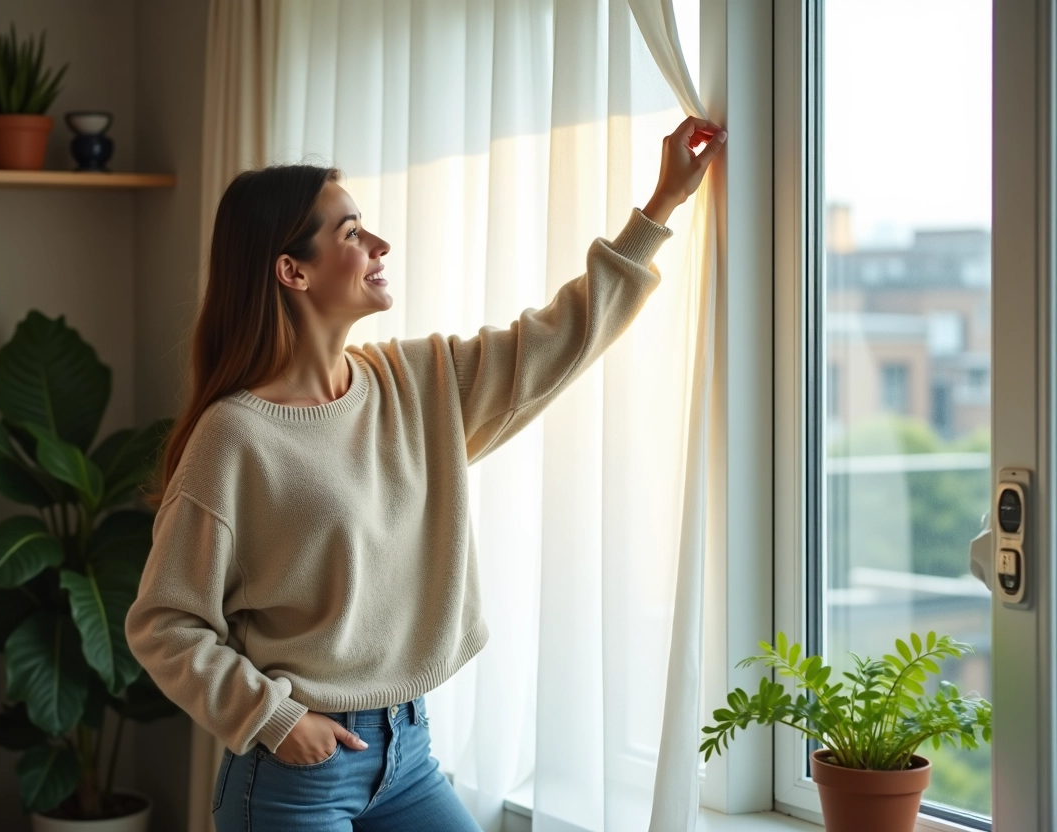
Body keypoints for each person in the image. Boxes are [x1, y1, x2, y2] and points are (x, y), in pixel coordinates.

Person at [125, 115, 726, 831]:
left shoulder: (415, 383)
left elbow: (557, 340)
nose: (378, 245)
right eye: (350, 233)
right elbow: (164, 622)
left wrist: (659, 208)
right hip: (295, 775)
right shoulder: (235, 437)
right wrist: (274, 718)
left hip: (408, 754)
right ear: (293, 271)